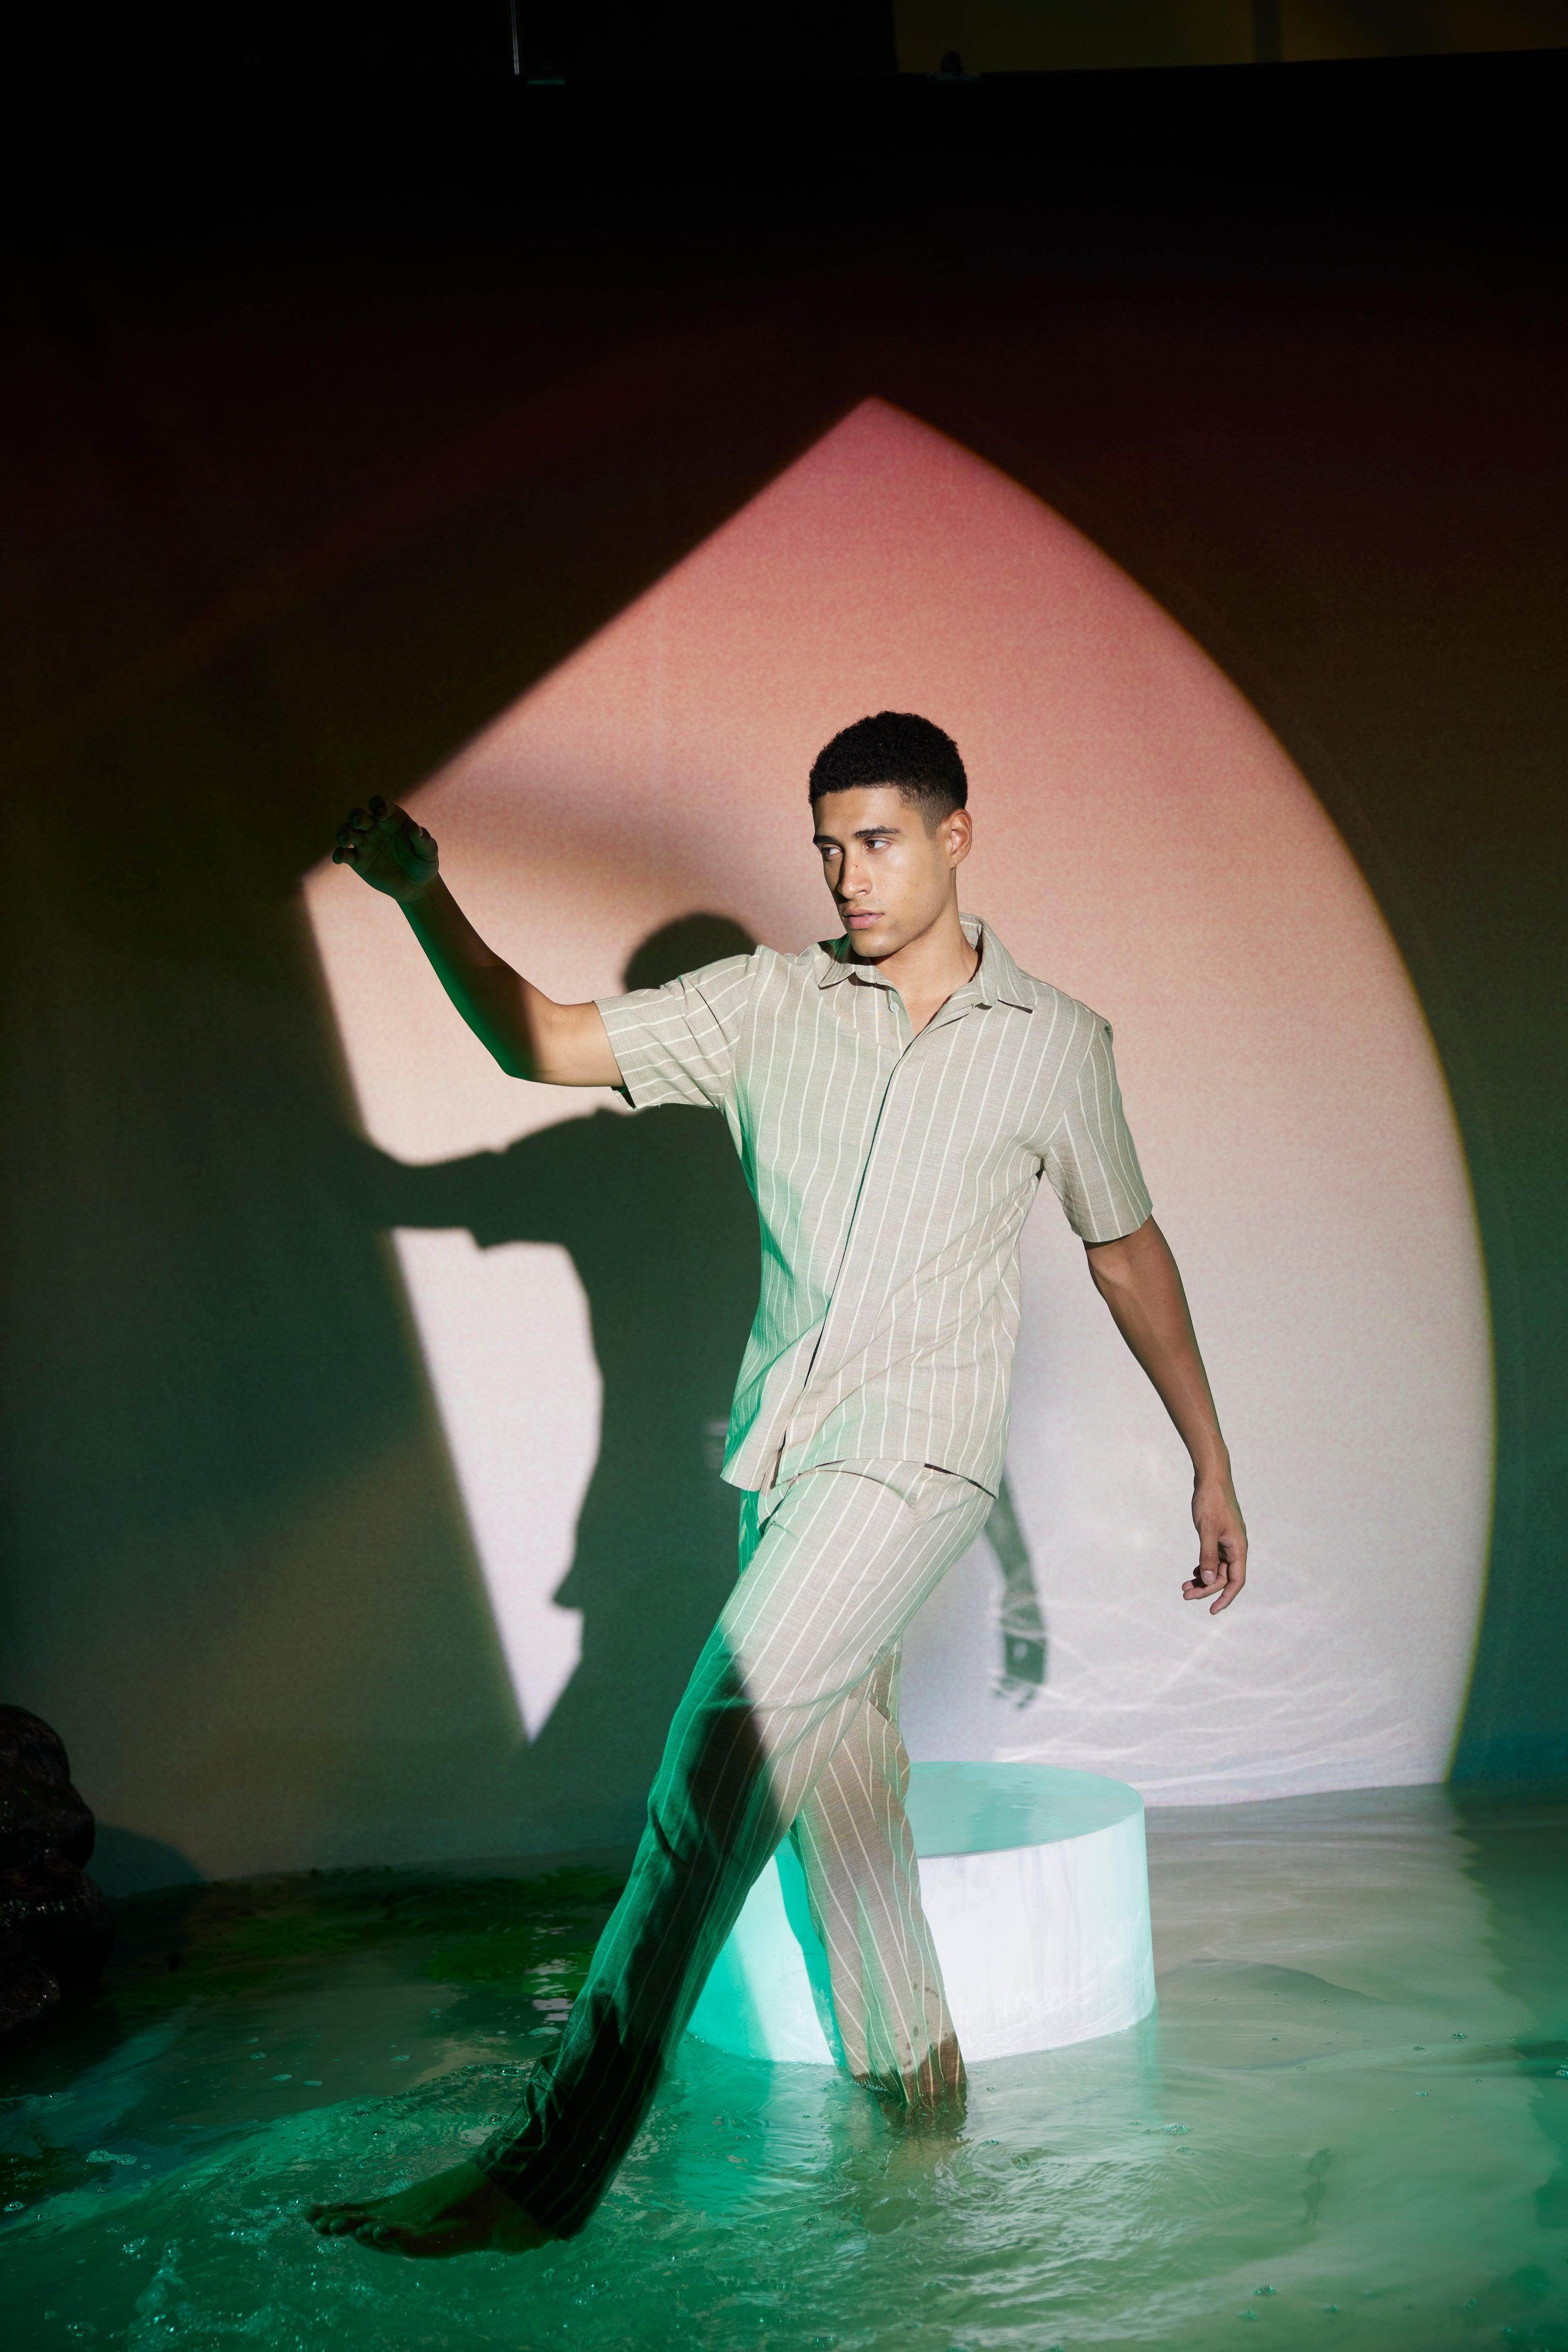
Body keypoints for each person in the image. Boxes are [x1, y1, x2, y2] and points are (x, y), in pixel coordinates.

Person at [305, 710, 1247, 2259]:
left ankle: (546, 2171)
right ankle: (926, 2146)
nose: (848, 875)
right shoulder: (766, 1004)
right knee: (845, 1820)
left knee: (713, 1760)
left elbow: (1125, 1248)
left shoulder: (1055, 1042)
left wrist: (1209, 1456)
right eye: (827, 847)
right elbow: (537, 1040)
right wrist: (424, 895)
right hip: (787, 1463)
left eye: (877, 841)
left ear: (955, 837)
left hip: (919, 1465)